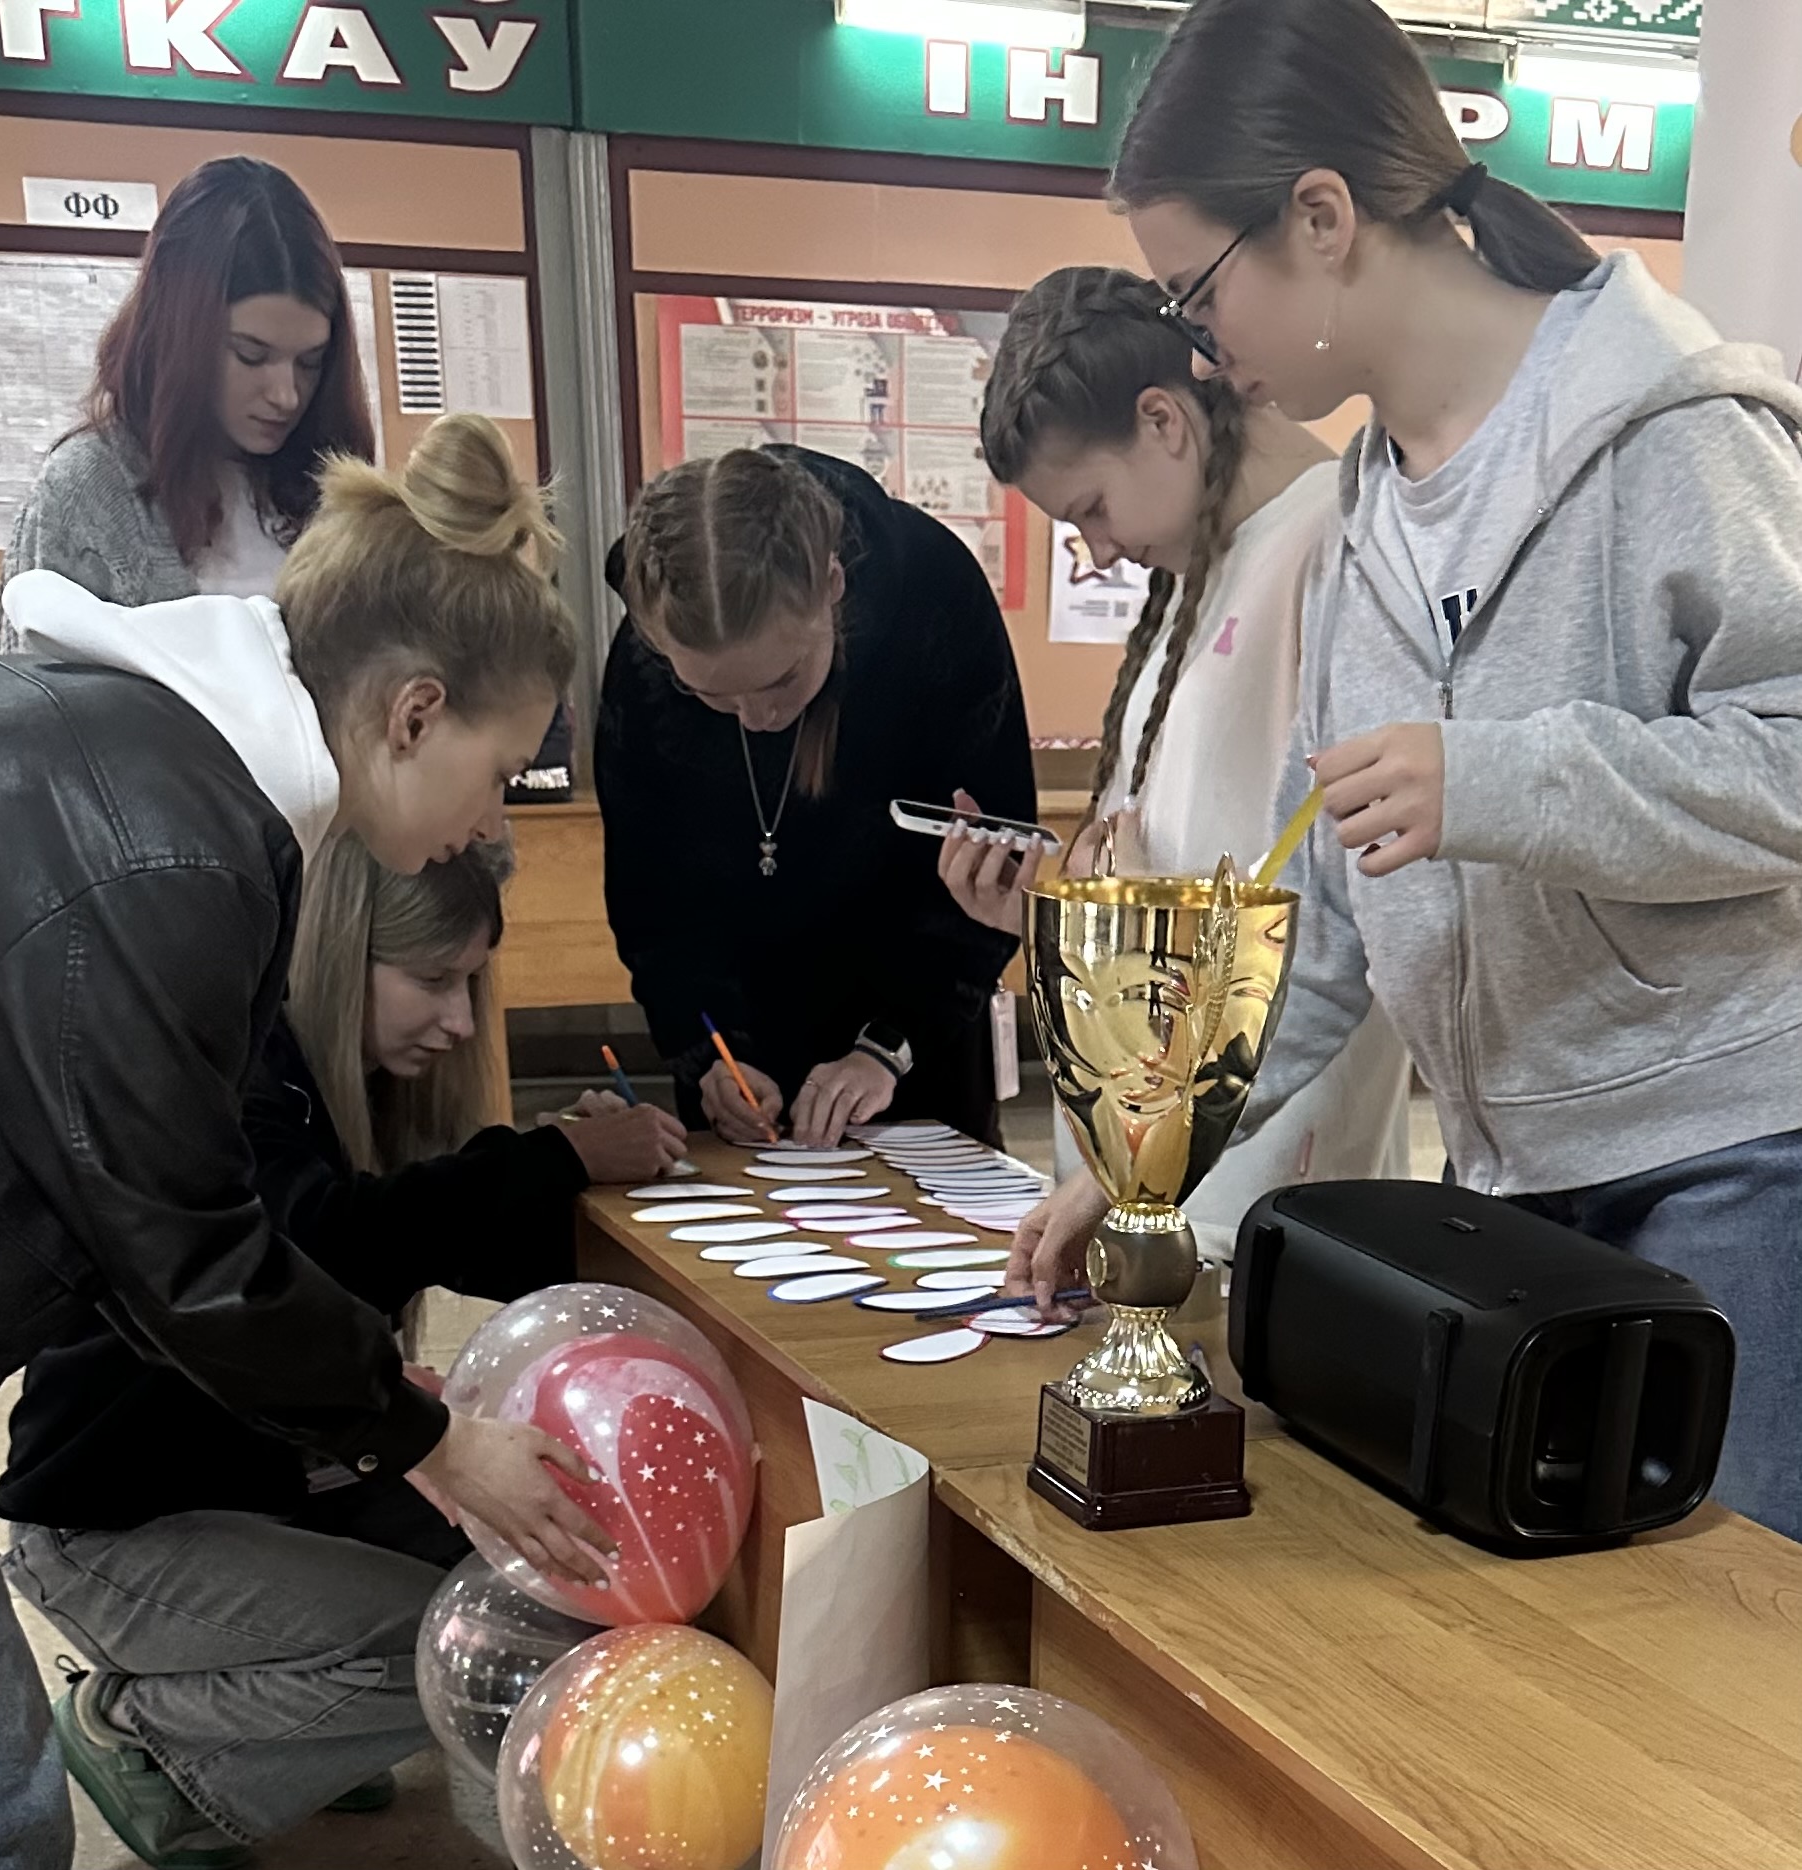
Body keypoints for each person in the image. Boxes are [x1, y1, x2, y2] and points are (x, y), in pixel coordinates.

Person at [0, 410, 610, 1870]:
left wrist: (378, 1412)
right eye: (505, 770)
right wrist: (427, 1440)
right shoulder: (168, 843)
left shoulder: (152, 762)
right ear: (414, 714)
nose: (493, 820)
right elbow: (184, 1240)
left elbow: (141, 1218)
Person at [1029, 0, 1802, 1540]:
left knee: (1728, 1642)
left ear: (1322, 218)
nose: (1201, 344)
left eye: (1198, 290)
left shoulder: (1675, 430)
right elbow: (1317, 914)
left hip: (1732, 1160)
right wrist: (1152, 1147)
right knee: (1548, 1631)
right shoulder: (1365, 516)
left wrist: (1498, 781)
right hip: (1513, 1183)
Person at [0, 833, 686, 1868]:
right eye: (434, 981)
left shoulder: (343, 1084)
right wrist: (551, 1158)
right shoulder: (243, 1076)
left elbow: (447, 1237)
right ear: (339, 954)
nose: (461, 1022)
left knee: (522, 1586)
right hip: (112, 1525)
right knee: (445, 1645)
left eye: (470, 984)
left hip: (260, 1478)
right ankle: (141, 1736)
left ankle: (289, 1728)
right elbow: (321, 1241)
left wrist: (577, 1176)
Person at [940, 265, 1409, 1267]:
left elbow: (1333, 908)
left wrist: (1153, 1137)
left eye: (1093, 509)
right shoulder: (1201, 568)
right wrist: (1058, 911)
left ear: (1164, 421)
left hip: (1259, 1162)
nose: (1099, 550)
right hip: (1152, 1135)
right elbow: (1193, 843)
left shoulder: (1335, 549)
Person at [598, 445, 1037, 1149]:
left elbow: (993, 863)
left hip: (919, 1042)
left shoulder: (933, 593)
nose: (755, 718)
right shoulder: (655, 638)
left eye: (780, 681)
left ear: (832, 585)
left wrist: (888, 1046)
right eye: (709, 693)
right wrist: (708, 1051)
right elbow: (651, 898)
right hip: (742, 1072)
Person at [0, 154, 372, 642]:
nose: (286, 395)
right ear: (180, 336)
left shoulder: (331, 487)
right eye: (251, 355)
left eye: (310, 362)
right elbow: (23, 682)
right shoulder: (86, 491)